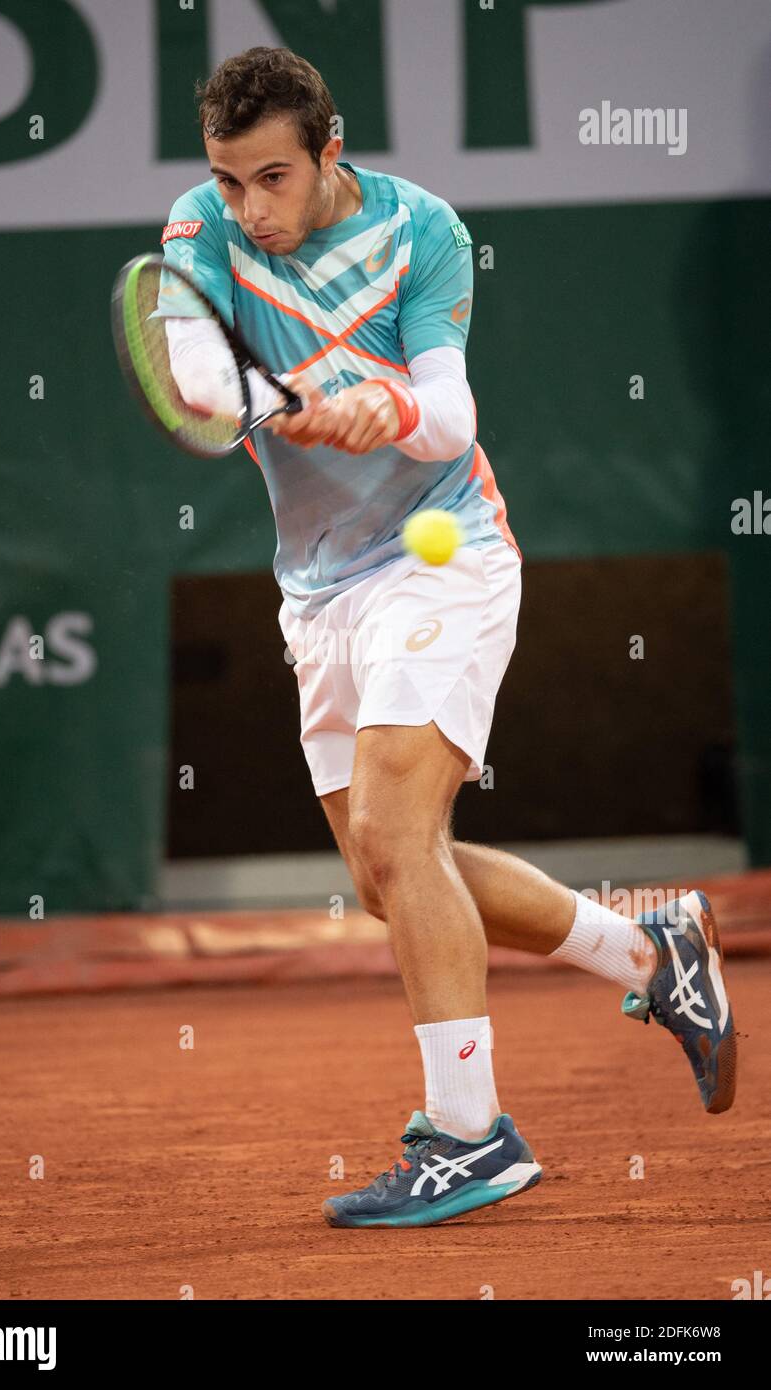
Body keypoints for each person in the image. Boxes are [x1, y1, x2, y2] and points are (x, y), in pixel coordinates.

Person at [163, 46, 736, 1229]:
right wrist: (279, 391)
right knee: (386, 874)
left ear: (330, 150)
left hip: (445, 553)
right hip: (314, 590)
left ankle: (470, 1138)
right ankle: (649, 952)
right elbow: (190, 382)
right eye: (227, 181)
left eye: (271, 178)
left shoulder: (421, 228)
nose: (246, 208)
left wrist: (395, 411)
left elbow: (452, 412)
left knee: (390, 828)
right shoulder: (199, 230)